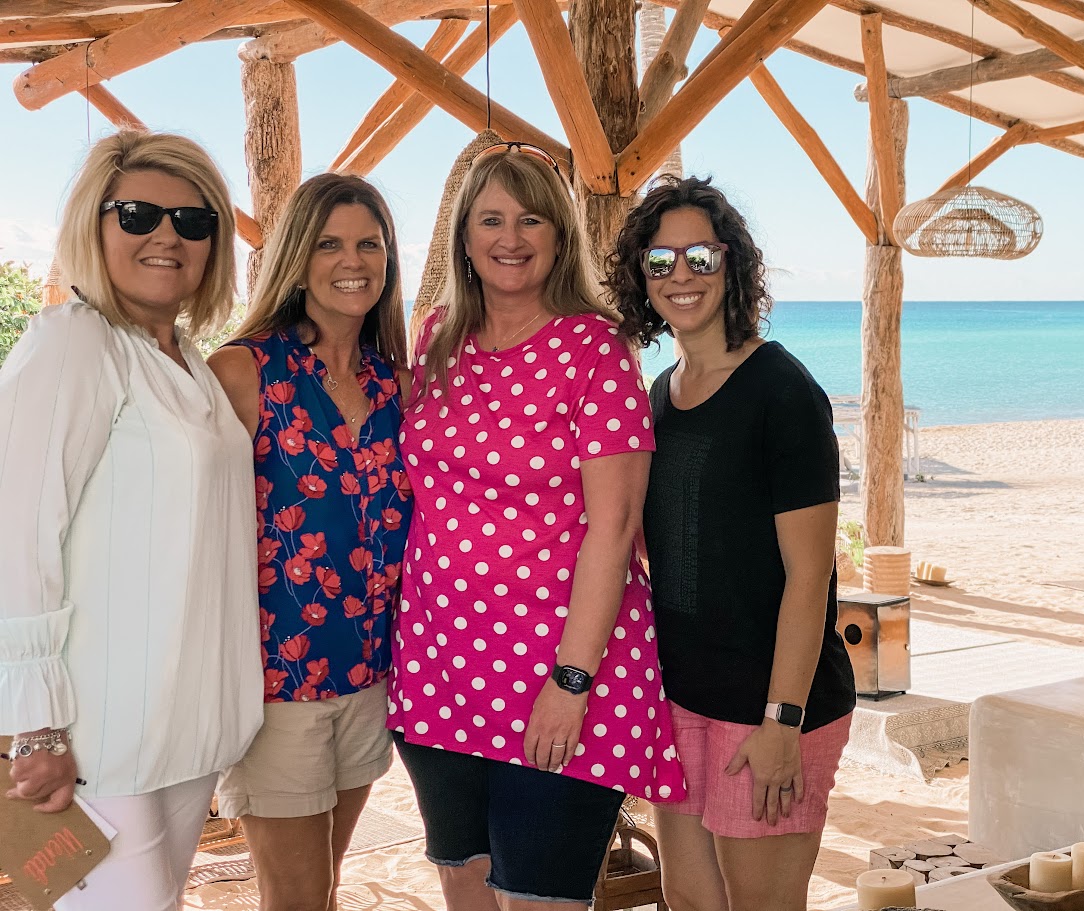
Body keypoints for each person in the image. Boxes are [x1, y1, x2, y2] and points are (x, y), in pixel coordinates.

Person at [389, 143, 686, 911]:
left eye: (531, 219)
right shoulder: (436, 338)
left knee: (539, 900)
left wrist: (570, 681)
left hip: (559, 671)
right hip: (437, 666)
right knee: (465, 882)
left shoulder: (596, 348)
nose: (510, 237)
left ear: (560, 235)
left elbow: (614, 526)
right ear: (464, 235)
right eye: (491, 218)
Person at [0, 130, 263, 911]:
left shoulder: (185, 358)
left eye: (193, 220)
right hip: (99, 742)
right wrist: (36, 728)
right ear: (97, 223)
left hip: (186, 732)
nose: (166, 236)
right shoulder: (73, 343)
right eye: (139, 213)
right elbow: (17, 537)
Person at [605, 175, 856, 911]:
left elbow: (811, 576)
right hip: (681, 700)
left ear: (731, 266)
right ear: (641, 277)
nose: (680, 275)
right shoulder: (659, 393)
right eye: (661, 261)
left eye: (700, 257)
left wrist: (783, 720)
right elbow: (666, 548)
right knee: (687, 901)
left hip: (771, 706)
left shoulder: (784, 392)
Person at [207, 173, 413, 911]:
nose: (351, 259)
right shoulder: (242, 371)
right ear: (297, 257)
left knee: (323, 887)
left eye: (369, 243)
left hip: (369, 675)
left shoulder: (398, 386)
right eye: (328, 243)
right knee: (293, 896)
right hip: (275, 688)